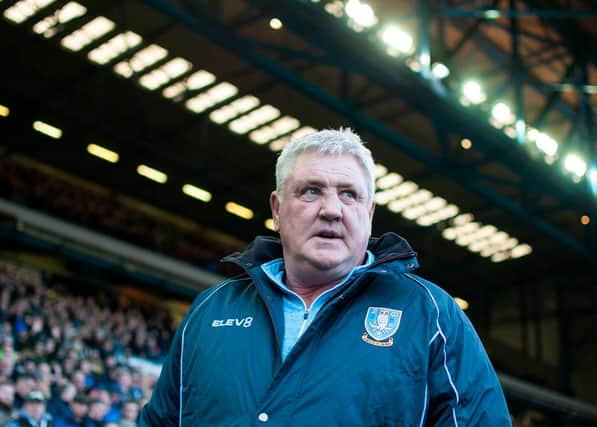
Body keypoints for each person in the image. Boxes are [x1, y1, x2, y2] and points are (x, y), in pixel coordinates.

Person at [140, 128, 512, 426]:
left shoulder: (430, 315)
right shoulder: (210, 310)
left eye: (349, 195)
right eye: (311, 191)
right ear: (277, 208)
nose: (331, 210)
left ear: (369, 214)